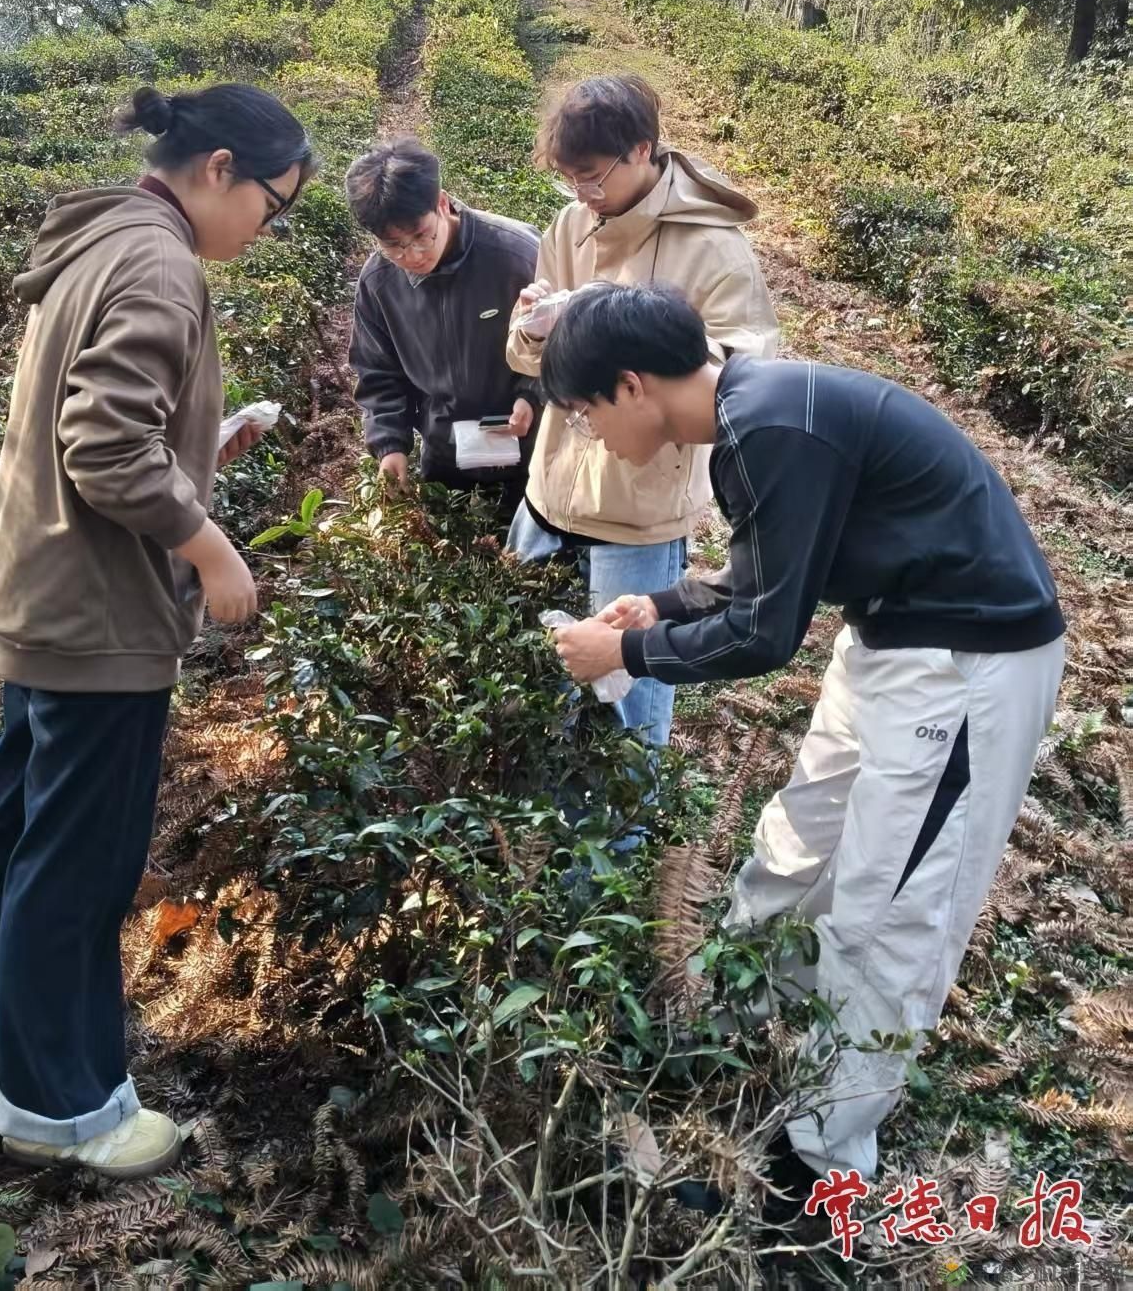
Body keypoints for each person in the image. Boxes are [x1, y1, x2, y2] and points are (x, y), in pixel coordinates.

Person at [542, 282, 1067, 1181]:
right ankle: (733, 1032)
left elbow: (762, 636)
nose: (593, 434)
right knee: (799, 843)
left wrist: (625, 649)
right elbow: (765, 580)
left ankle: (820, 1162)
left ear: (631, 385)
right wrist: (659, 606)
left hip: (965, 668)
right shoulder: (753, 417)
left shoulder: (769, 426)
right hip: (893, 641)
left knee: (889, 909)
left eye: (586, 412)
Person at [0, 83, 315, 1178]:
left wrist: (208, 442)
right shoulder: (162, 262)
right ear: (218, 167)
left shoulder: (105, 230)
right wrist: (208, 543)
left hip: (40, 587)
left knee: (21, 809)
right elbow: (105, 440)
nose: (270, 226)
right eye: (274, 203)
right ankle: (58, 1104)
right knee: (80, 861)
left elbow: (117, 417)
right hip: (97, 611)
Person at [505, 74, 778, 748]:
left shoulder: (710, 245)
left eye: (593, 177)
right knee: (533, 667)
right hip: (549, 485)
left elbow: (744, 365)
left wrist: (611, 328)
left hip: (635, 507)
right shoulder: (569, 224)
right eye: (569, 179)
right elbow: (526, 362)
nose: (582, 194)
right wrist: (534, 329)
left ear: (641, 151)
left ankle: (623, 840)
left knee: (625, 689)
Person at [346, 136, 541, 521]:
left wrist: (532, 395)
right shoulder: (379, 282)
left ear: (441, 202)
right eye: (394, 246)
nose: (413, 256)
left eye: (421, 236)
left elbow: (563, 340)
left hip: (527, 445)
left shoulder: (517, 254)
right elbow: (377, 372)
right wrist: (390, 445)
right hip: (446, 453)